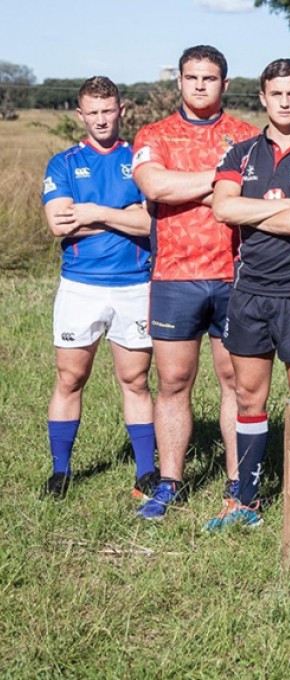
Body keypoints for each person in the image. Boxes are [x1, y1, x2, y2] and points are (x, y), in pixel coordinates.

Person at [204, 59, 290, 531]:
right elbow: (222, 208)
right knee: (248, 398)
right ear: (262, 97)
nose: (284, 102)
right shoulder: (239, 153)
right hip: (249, 293)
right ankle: (247, 501)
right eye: (276, 94)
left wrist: (256, 211)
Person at [132, 45, 259, 520]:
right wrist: (222, 180)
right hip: (174, 275)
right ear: (180, 82)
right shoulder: (155, 133)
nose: (200, 85)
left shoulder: (248, 137)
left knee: (237, 382)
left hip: (236, 274)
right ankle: (170, 482)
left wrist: (194, 185)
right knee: (173, 382)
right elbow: (156, 187)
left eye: (209, 78)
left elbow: (250, 196)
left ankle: (237, 482)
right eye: (191, 78)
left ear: (225, 84)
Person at [41, 76, 156, 499]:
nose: (102, 119)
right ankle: (60, 472)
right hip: (80, 287)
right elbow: (59, 223)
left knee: (137, 380)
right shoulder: (64, 163)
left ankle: (146, 472)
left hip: (135, 285)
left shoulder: (140, 161)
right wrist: (121, 214)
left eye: (108, 111)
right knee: (70, 378)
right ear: (80, 114)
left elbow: (150, 224)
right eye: (93, 112)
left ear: (121, 111)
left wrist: (93, 212)